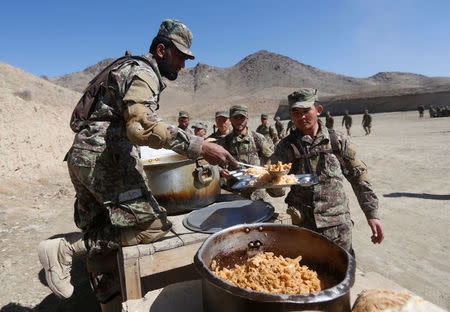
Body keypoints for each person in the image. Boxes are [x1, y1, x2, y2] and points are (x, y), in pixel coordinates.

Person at [37, 19, 237, 311]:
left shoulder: (127, 67)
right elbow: (141, 127)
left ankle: (109, 303)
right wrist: (200, 146)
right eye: (179, 56)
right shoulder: (144, 72)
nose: (182, 65)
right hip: (107, 160)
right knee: (153, 225)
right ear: (161, 49)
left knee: (103, 227)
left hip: (83, 156)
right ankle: (68, 248)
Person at [268, 88, 384, 255]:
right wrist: (274, 180)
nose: (301, 117)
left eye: (306, 110)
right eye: (296, 112)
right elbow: (274, 190)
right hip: (304, 226)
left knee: (341, 271)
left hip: (337, 228)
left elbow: (359, 178)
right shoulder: (285, 146)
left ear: (318, 110)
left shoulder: (337, 141)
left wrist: (372, 214)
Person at [218, 105, 274, 201]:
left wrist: (265, 171)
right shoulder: (224, 142)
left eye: (242, 118)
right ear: (230, 120)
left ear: (247, 119)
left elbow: (271, 157)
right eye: (235, 118)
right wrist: (221, 171)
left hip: (257, 193)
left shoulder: (257, 138)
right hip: (235, 193)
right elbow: (215, 164)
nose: (239, 121)